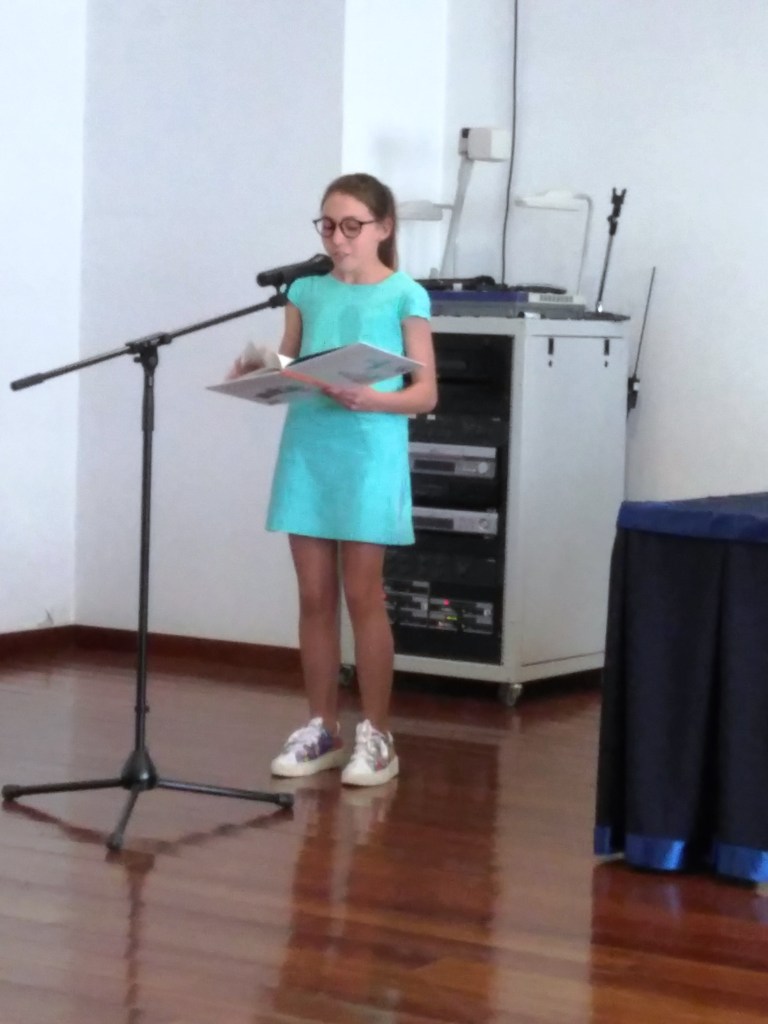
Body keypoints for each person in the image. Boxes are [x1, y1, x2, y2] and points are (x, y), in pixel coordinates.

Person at [229, 172, 436, 787]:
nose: (338, 238)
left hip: (369, 452)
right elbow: (292, 362)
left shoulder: (404, 294)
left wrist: (374, 399)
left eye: (351, 226)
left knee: (362, 595)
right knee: (314, 596)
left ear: (383, 228)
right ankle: (322, 726)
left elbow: (425, 393)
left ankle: (378, 734)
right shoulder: (305, 289)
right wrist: (260, 369)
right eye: (327, 226)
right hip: (309, 450)